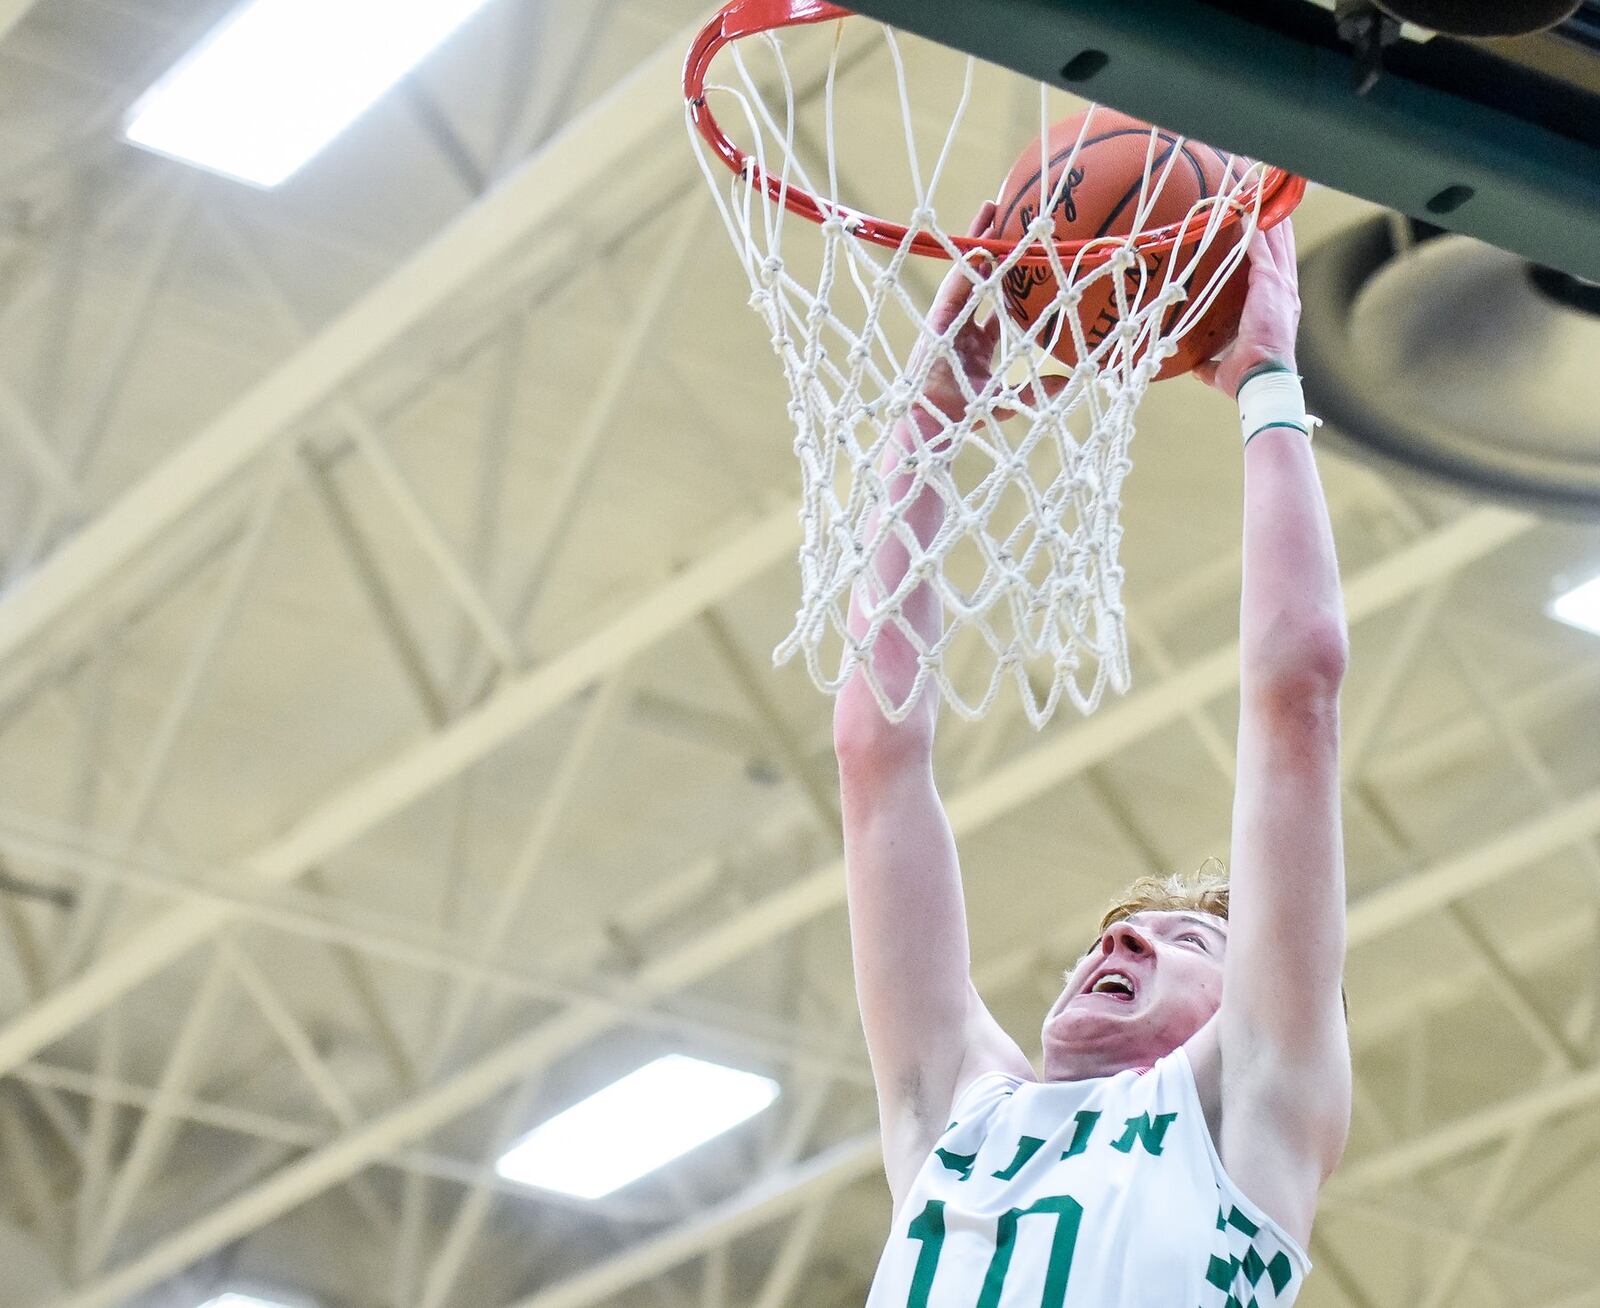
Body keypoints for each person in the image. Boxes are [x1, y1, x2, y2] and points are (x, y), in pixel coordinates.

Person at [836, 204, 1350, 1306]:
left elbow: (1296, 694)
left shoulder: (1249, 1111)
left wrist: (1267, 382)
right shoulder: (954, 1119)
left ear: (1247, 995)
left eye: (1188, 937)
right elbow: (878, 755)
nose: (1121, 935)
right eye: (1122, 930)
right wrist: (925, 429)